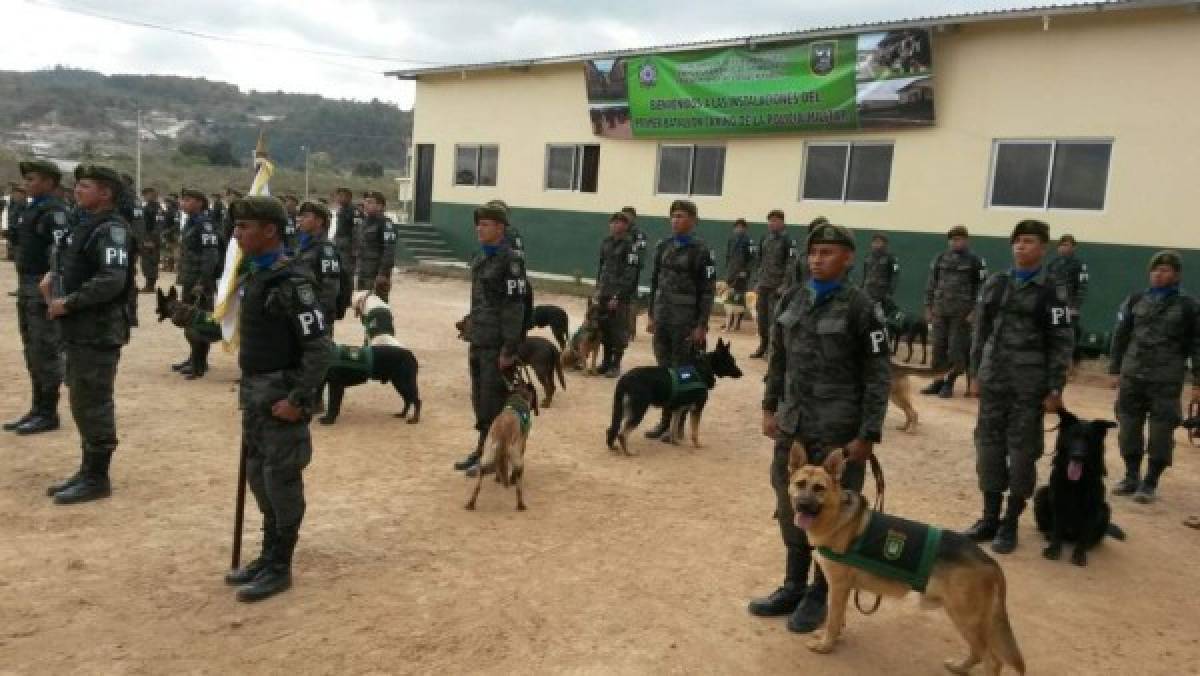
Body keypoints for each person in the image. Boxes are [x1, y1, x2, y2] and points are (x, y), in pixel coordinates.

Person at [750, 222, 891, 633]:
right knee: (789, 501)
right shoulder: (792, 297)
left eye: (828, 252)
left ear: (848, 258)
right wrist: (768, 407)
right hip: (793, 425)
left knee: (834, 513)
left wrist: (868, 434)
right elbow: (778, 358)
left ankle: (820, 592)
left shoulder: (864, 308)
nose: (817, 258)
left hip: (838, 432)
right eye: (814, 252)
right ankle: (793, 584)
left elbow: (878, 375)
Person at [208, 196, 332, 602]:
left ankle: (281, 566)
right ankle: (267, 554)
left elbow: (319, 348)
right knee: (259, 477)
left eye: (245, 227)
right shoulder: (259, 276)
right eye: (237, 226)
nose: (237, 234)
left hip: (282, 396)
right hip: (256, 394)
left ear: (270, 232)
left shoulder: (292, 282)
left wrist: (299, 399)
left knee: (281, 481)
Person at [964, 220, 1073, 554]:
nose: (1021, 247)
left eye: (1029, 242)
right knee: (988, 450)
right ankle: (989, 518)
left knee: (1022, 455)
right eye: (1017, 241)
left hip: (1029, 388)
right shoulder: (996, 283)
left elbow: (1061, 342)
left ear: (1043, 248)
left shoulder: (1053, 291)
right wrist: (975, 373)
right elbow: (981, 332)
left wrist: (1055, 388)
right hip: (994, 382)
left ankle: (1010, 522)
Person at [41, 164, 134, 504]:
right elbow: (72, 262)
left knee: (93, 401)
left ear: (106, 193)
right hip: (80, 328)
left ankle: (97, 476)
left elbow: (112, 279)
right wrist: (53, 277)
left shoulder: (112, 230)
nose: (77, 190)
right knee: (81, 398)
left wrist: (69, 303)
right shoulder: (86, 225)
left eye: (85, 185)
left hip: (98, 330)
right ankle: (87, 469)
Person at [1109, 250, 1200, 504]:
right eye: (1155, 270)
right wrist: (1115, 370)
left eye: (1166, 270)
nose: (1159, 274)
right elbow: (1120, 336)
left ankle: (1150, 482)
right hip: (1132, 376)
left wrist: (1198, 382)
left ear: (1177, 275)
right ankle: (1131, 476)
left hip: (1166, 379)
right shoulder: (1135, 300)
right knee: (1128, 428)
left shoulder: (1188, 306)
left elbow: (1197, 345)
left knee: (1161, 432)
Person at [453, 203, 529, 476]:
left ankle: (495, 455)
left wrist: (510, 348)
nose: (479, 228)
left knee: (493, 401)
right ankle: (482, 449)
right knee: (479, 399)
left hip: (497, 342)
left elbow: (515, 307)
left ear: (500, 228)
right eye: (478, 224)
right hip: (479, 338)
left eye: (485, 224)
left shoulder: (511, 261)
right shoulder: (481, 256)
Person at [5, 160, 68, 435]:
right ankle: (37, 406)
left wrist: (53, 290)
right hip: (26, 283)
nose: (27, 184)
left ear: (49, 183)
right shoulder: (31, 208)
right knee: (32, 348)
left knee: (45, 349)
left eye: (32, 179)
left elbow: (59, 253)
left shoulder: (54, 212)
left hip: (43, 284)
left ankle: (48, 411)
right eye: (26, 179)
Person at [643, 199, 716, 439]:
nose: (676, 220)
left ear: (693, 220)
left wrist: (701, 325)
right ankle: (665, 421)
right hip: (663, 316)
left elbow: (707, 290)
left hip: (685, 321)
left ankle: (679, 423)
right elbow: (655, 281)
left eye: (682, 216)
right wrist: (652, 313)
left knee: (684, 371)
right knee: (664, 371)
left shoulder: (702, 251)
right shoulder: (663, 245)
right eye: (673, 215)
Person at [922, 225, 987, 398]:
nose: (955, 242)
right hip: (940, 311)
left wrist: (975, 311)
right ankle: (938, 380)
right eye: (952, 239)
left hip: (962, 314)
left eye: (959, 239)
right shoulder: (940, 258)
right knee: (938, 348)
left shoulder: (975, 261)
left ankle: (949, 383)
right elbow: (931, 284)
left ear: (966, 240)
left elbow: (982, 288)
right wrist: (928, 307)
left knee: (956, 349)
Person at [174, 189, 221, 379]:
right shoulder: (191, 223)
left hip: (200, 282)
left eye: (187, 200)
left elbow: (211, 256)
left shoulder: (205, 224)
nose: (182, 203)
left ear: (200, 203)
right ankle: (193, 358)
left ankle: (200, 362)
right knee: (189, 323)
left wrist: (203, 282)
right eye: (182, 200)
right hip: (190, 279)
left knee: (200, 324)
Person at [594, 211, 640, 377]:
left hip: (620, 295)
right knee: (604, 328)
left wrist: (618, 296)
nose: (616, 225)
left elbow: (630, 273)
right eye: (613, 222)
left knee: (619, 330)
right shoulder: (606, 242)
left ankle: (616, 364)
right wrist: (598, 289)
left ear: (626, 226)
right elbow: (601, 267)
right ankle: (606, 362)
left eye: (620, 222)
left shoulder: (630, 246)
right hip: (605, 291)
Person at [296, 201, 350, 330]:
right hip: (303, 313)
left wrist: (321, 315)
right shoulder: (305, 247)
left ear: (319, 221)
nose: (300, 220)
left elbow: (330, 289)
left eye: (306, 216)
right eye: (300, 216)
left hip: (318, 316)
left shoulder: (326, 250)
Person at [750, 210, 795, 358]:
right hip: (763, 285)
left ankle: (773, 349)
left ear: (782, 222)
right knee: (762, 319)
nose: (772, 223)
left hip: (777, 288)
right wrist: (756, 281)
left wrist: (784, 285)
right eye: (770, 221)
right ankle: (763, 345)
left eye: (775, 220)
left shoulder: (789, 240)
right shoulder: (764, 238)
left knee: (774, 319)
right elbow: (758, 261)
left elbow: (791, 264)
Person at [1047, 234, 1089, 373]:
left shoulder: (1079, 265)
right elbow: (1047, 283)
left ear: (1074, 247)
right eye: (1062, 245)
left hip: (1069, 304)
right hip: (1053, 303)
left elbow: (1082, 286)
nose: (1063, 248)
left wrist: (1075, 306)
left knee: (1070, 334)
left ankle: (1071, 365)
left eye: (1067, 245)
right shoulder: (1052, 264)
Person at [356, 191, 397, 301]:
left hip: (376, 275)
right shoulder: (364, 222)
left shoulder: (386, 224)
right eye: (365, 202)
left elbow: (389, 250)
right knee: (363, 307)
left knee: (377, 309)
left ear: (380, 206)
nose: (365, 204)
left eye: (370, 202)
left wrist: (383, 273)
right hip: (363, 273)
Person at [724, 218, 755, 330]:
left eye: (741, 227)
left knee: (739, 298)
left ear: (745, 229)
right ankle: (729, 321)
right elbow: (728, 255)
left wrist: (745, 271)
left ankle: (737, 323)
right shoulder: (731, 239)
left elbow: (752, 258)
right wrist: (727, 269)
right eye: (737, 227)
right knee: (730, 297)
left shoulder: (749, 241)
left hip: (742, 273)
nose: (739, 229)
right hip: (731, 272)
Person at [859, 233, 900, 314]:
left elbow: (895, 276)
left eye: (879, 242)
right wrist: (861, 288)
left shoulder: (891, 259)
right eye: (874, 242)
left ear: (885, 244)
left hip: (882, 294)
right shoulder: (867, 258)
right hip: (867, 292)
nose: (876, 244)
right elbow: (865, 275)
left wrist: (890, 292)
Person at [331, 187, 361, 282]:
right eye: (338, 196)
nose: (339, 198)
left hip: (348, 245)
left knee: (347, 272)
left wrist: (355, 248)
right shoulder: (341, 210)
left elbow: (357, 230)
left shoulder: (354, 211)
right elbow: (339, 228)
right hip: (339, 242)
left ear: (349, 197)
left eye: (342, 196)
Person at [139, 187, 162, 292]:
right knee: (146, 261)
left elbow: (158, 225)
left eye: (146, 194)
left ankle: (150, 285)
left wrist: (151, 239)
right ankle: (149, 284)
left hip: (151, 239)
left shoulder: (155, 208)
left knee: (150, 261)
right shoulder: (149, 207)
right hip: (147, 237)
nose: (145, 197)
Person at [5, 185, 27, 263]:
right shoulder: (13, 205)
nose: (16, 196)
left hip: (20, 233)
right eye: (15, 194)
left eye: (18, 194)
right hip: (13, 231)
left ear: (23, 195)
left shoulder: (26, 206)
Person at [160, 193, 180, 272]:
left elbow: (176, 224)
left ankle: (174, 267)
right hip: (170, 232)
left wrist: (168, 231)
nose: (165, 204)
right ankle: (169, 266)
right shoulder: (170, 211)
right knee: (169, 250)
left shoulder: (173, 211)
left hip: (172, 233)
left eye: (166, 203)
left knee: (173, 251)